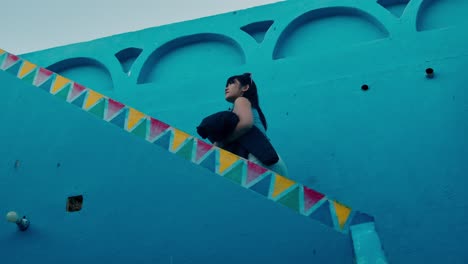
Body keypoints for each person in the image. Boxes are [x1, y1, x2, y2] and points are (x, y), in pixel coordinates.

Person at [214, 73, 289, 177]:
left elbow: (246, 124)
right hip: (269, 158)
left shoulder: (241, 100)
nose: (226, 87)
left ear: (245, 87)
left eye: (231, 83)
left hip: (259, 158)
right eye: (226, 84)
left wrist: (222, 142)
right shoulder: (251, 108)